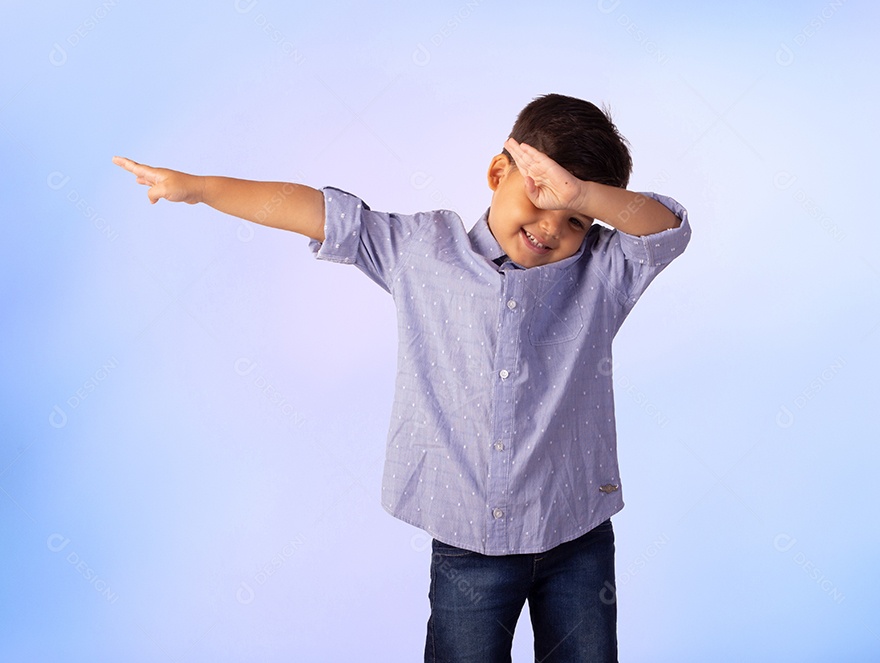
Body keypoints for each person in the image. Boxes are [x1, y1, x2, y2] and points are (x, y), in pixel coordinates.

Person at [113, 93, 691, 662]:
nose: (551, 225)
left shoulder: (604, 271)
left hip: (576, 535)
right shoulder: (421, 250)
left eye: (575, 219)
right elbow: (319, 212)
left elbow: (667, 230)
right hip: (469, 541)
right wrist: (199, 187)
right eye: (539, 193)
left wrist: (582, 193)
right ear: (498, 172)